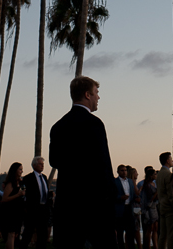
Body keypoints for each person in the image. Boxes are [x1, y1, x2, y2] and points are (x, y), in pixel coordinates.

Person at [49, 75, 116, 249]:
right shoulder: (94, 124)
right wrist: (110, 196)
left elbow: (54, 160)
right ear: (87, 95)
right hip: (93, 206)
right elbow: (104, 165)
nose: (98, 97)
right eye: (96, 92)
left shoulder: (58, 126)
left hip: (67, 204)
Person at [19, 157, 50, 249]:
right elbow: (24, 194)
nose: (42, 166)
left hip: (43, 208)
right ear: (34, 165)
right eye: (40, 164)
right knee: (29, 231)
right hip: (33, 209)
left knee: (43, 233)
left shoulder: (44, 177)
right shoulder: (28, 178)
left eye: (43, 164)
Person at [1, 162, 26, 249]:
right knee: (11, 234)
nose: (21, 171)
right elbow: (4, 199)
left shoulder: (19, 183)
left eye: (22, 169)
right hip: (11, 212)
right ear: (15, 170)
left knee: (15, 235)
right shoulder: (10, 184)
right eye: (20, 169)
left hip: (18, 212)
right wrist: (18, 195)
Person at [156, 152, 173, 249]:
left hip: (162, 207)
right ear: (168, 161)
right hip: (169, 209)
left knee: (162, 235)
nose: (172, 161)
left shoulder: (159, 174)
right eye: (171, 159)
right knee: (172, 235)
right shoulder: (168, 175)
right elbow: (170, 194)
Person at [115, 164, 136, 249]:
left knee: (130, 231)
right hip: (120, 209)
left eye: (125, 170)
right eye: (122, 170)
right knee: (120, 232)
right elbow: (111, 195)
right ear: (118, 172)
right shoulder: (115, 182)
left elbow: (133, 193)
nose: (124, 172)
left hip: (129, 208)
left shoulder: (130, 181)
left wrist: (136, 198)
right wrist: (120, 197)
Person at [140, 166, 159, 249]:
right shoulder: (146, 186)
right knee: (149, 228)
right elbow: (148, 198)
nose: (156, 175)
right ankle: (148, 246)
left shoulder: (154, 184)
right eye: (154, 174)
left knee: (155, 227)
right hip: (149, 208)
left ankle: (155, 245)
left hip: (154, 207)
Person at [128, 166, 143, 249]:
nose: (137, 174)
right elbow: (137, 194)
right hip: (135, 207)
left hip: (133, 207)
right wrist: (140, 189)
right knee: (136, 227)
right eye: (136, 172)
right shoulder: (133, 182)